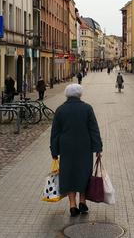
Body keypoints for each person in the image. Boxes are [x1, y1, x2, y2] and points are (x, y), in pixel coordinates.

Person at [50, 84, 103, 217]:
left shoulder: (60, 110)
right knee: (84, 173)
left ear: (67, 94)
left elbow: (55, 133)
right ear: (80, 94)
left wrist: (54, 151)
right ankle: (82, 202)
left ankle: (72, 205)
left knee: (68, 174)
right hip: (84, 147)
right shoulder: (87, 108)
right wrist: (98, 148)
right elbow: (94, 130)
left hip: (66, 148)